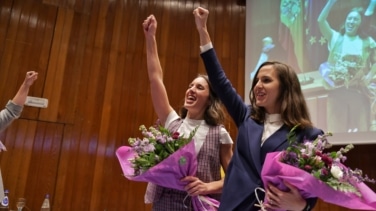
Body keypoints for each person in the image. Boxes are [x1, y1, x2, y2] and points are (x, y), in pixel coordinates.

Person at [193, 7, 323, 211]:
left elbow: (312, 189)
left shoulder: (309, 135)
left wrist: (301, 206)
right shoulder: (246, 116)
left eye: (266, 80)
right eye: (257, 80)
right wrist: (203, 30)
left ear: (285, 88)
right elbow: (220, 81)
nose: (258, 85)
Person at [142, 14, 233, 210]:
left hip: (199, 206)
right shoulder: (171, 121)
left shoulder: (220, 134)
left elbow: (235, 177)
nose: (191, 89)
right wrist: (151, 38)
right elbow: (155, 78)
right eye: (190, 86)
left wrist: (208, 186)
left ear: (210, 99)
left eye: (200, 88)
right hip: (164, 205)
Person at [318, 0, 376, 133]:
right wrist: (331, 2)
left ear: (360, 23)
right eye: (349, 18)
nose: (351, 21)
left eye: (355, 19)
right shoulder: (335, 37)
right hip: (337, 93)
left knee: (362, 133)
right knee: (336, 134)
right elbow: (321, 20)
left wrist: (369, 76)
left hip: (358, 93)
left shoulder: (367, 41)